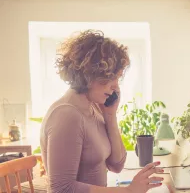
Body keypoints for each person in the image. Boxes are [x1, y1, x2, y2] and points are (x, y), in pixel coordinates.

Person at [40, 30, 164, 193]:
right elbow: (61, 189)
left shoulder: (94, 106)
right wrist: (128, 191)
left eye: (117, 78)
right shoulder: (67, 115)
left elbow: (116, 165)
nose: (115, 86)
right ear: (88, 75)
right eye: (109, 78)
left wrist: (110, 115)